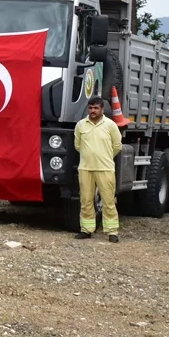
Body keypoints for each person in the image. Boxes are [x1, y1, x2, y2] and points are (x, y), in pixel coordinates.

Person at [74, 95, 123, 242]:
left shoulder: (110, 125)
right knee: (86, 200)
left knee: (108, 201)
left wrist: (105, 157)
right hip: (85, 169)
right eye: (90, 108)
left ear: (102, 109)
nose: (93, 110)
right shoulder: (81, 125)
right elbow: (78, 145)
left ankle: (112, 232)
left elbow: (117, 146)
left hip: (105, 168)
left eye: (96, 108)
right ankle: (86, 229)